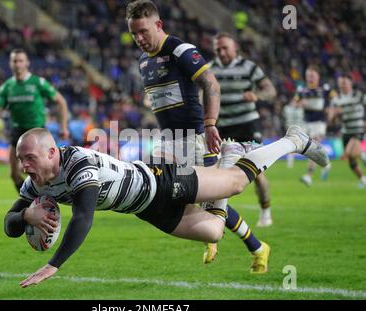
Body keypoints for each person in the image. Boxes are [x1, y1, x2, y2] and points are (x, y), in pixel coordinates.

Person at [4, 126, 328, 288]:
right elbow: (9, 225)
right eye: (21, 160)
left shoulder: (77, 163)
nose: (24, 166)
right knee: (214, 232)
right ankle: (229, 158)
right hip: (145, 208)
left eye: (29, 158)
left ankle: (293, 141)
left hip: (160, 180)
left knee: (237, 183)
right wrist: (25, 214)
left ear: (50, 153)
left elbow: (84, 216)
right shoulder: (35, 184)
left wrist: (54, 264)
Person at [126, 0, 268, 272]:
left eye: (143, 31)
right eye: (134, 34)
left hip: (194, 139)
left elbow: (210, 83)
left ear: (158, 24)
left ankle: (256, 247)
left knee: (205, 199)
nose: (139, 38)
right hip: (169, 140)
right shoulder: (144, 61)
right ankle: (239, 242)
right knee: (175, 195)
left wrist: (211, 123)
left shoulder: (180, 50)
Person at [210, 32, 277, 228]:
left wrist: (256, 94)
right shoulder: (209, 70)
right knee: (216, 172)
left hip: (248, 124)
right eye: (217, 49)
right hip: (222, 127)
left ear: (235, 48)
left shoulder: (249, 67)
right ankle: (217, 216)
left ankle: (265, 211)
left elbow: (270, 90)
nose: (221, 52)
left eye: (225, 48)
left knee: (256, 173)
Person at [0, 48, 70, 191]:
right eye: (15, 61)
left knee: (40, 172)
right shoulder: (7, 87)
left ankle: (45, 200)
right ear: (10, 64)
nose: (18, 64)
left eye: (20, 61)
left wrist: (63, 127)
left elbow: (61, 101)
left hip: (36, 132)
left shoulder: (37, 82)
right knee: (14, 174)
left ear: (27, 63)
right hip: (17, 132)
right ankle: (32, 201)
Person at [293, 65, 332, 186]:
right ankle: (326, 164)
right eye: (308, 75)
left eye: (312, 75)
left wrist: (331, 111)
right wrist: (299, 103)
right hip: (306, 123)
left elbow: (335, 99)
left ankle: (308, 176)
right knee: (310, 148)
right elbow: (295, 103)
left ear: (318, 76)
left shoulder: (324, 89)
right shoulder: (302, 90)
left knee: (312, 147)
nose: (310, 78)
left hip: (319, 123)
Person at [328, 75, 366, 188]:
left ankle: (362, 155)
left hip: (358, 128)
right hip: (346, 131)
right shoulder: (336, 100)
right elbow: (332, 121)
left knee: (348, 153)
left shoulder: (358, 95)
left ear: (350, 83)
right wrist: (334, 114)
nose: (342, 85)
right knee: (351, 162)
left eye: (345, 82)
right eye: (340, 83)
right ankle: (363, 179)